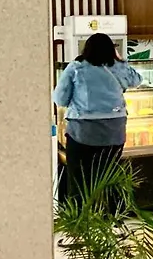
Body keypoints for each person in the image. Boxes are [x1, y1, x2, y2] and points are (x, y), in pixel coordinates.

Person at [52, 33, 142, 201]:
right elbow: (137, 80)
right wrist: (121, 60)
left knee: (79, 181)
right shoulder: (118, 67)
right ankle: (109, 212)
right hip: (114, 134)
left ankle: (82, 213)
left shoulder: (76, 67)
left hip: (83, 132)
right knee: (109, 178)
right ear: (112, 50)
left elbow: (60, 99)